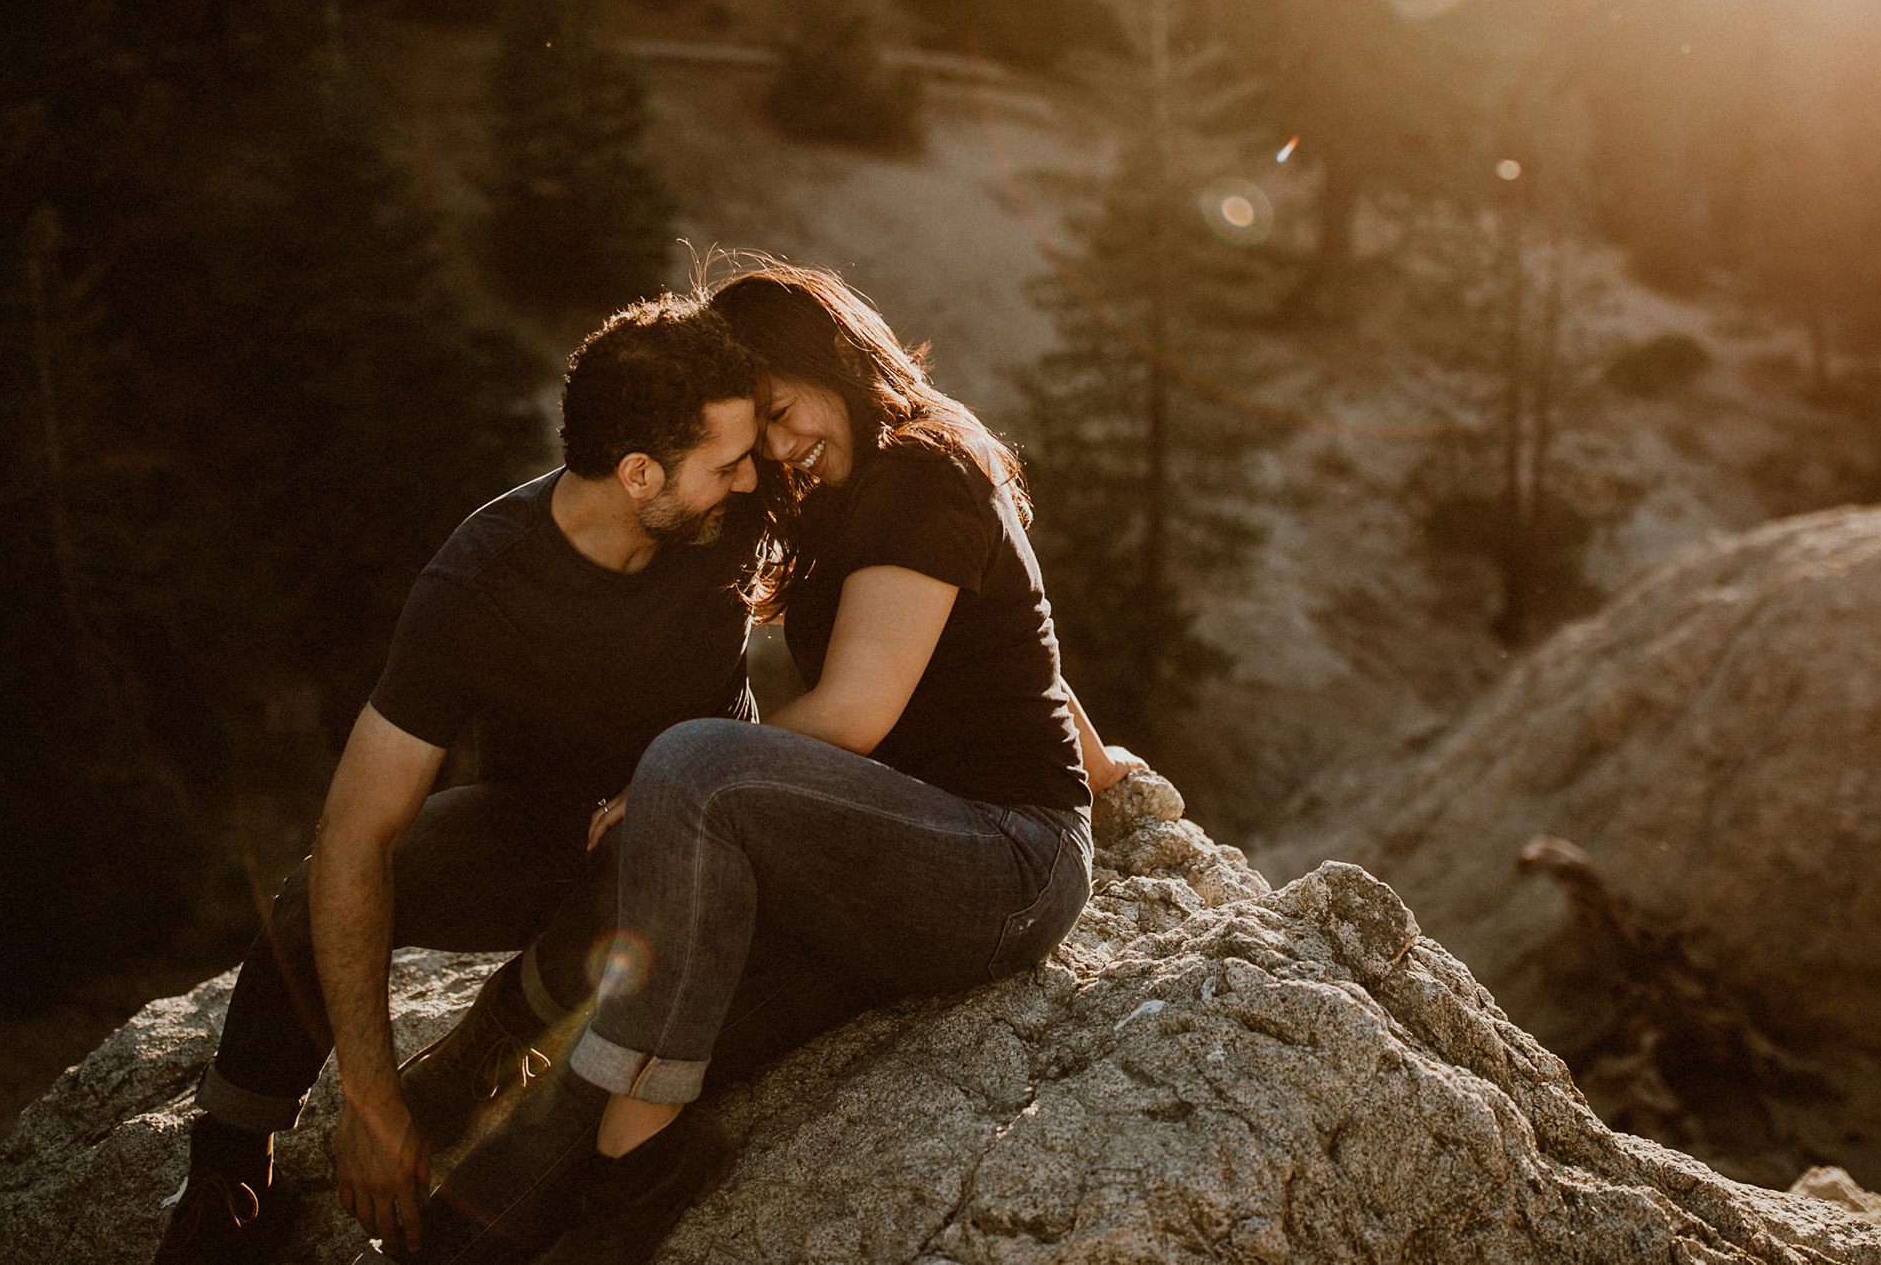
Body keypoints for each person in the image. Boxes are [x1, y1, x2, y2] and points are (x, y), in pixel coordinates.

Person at [406, 260, 1142, 1263]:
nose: (784, 443)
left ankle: (632, 1154)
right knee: (634, 1031)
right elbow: (1025, 650)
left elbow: (856, 712)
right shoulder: (858, 484)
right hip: (889, 865)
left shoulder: (925, 470)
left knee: (694, 765)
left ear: (833, 360)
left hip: (1001, 862)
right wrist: (1109, 774)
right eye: (760, 429)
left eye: (786, 408)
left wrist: (663, 790)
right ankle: (457, 1241)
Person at [153, 293, 767, 1265]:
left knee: (657, 856)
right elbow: (359, 832)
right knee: (313, 888)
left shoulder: (725, 513)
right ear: (640, 472)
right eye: (726, 463)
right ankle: (228, 1164)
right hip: (535, 830)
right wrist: (371, 1099)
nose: (751, 477)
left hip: (697, 826)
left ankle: (497, 1033)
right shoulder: (480, 585)